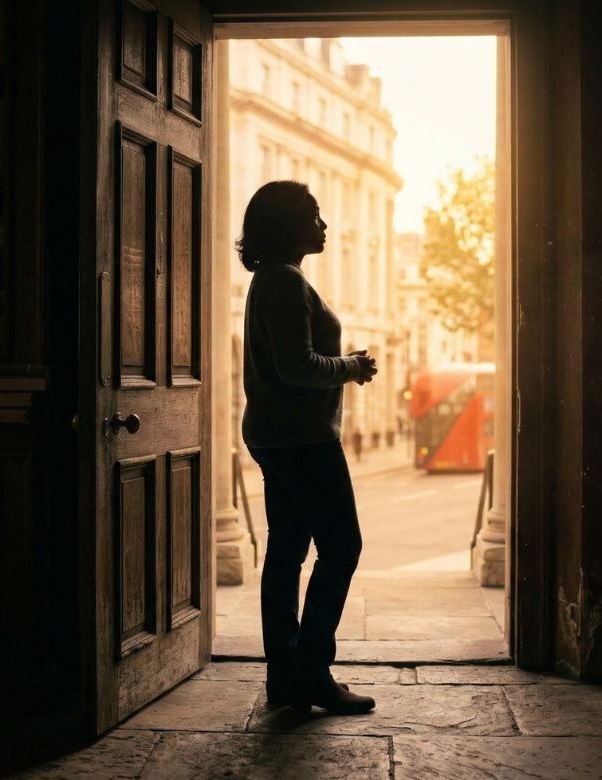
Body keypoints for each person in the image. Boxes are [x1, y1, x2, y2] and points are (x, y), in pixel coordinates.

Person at [238, 180, 378, 716]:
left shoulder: (271, 280)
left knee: (287, 552)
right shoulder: (286, 283)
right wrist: (352, 368)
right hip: (302, 439)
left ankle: (286, 676)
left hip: (275, 435)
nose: (323, 226)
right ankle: (313, 673)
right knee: (342, 548)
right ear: (286, 225)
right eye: (313, 215)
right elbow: (296, 367)